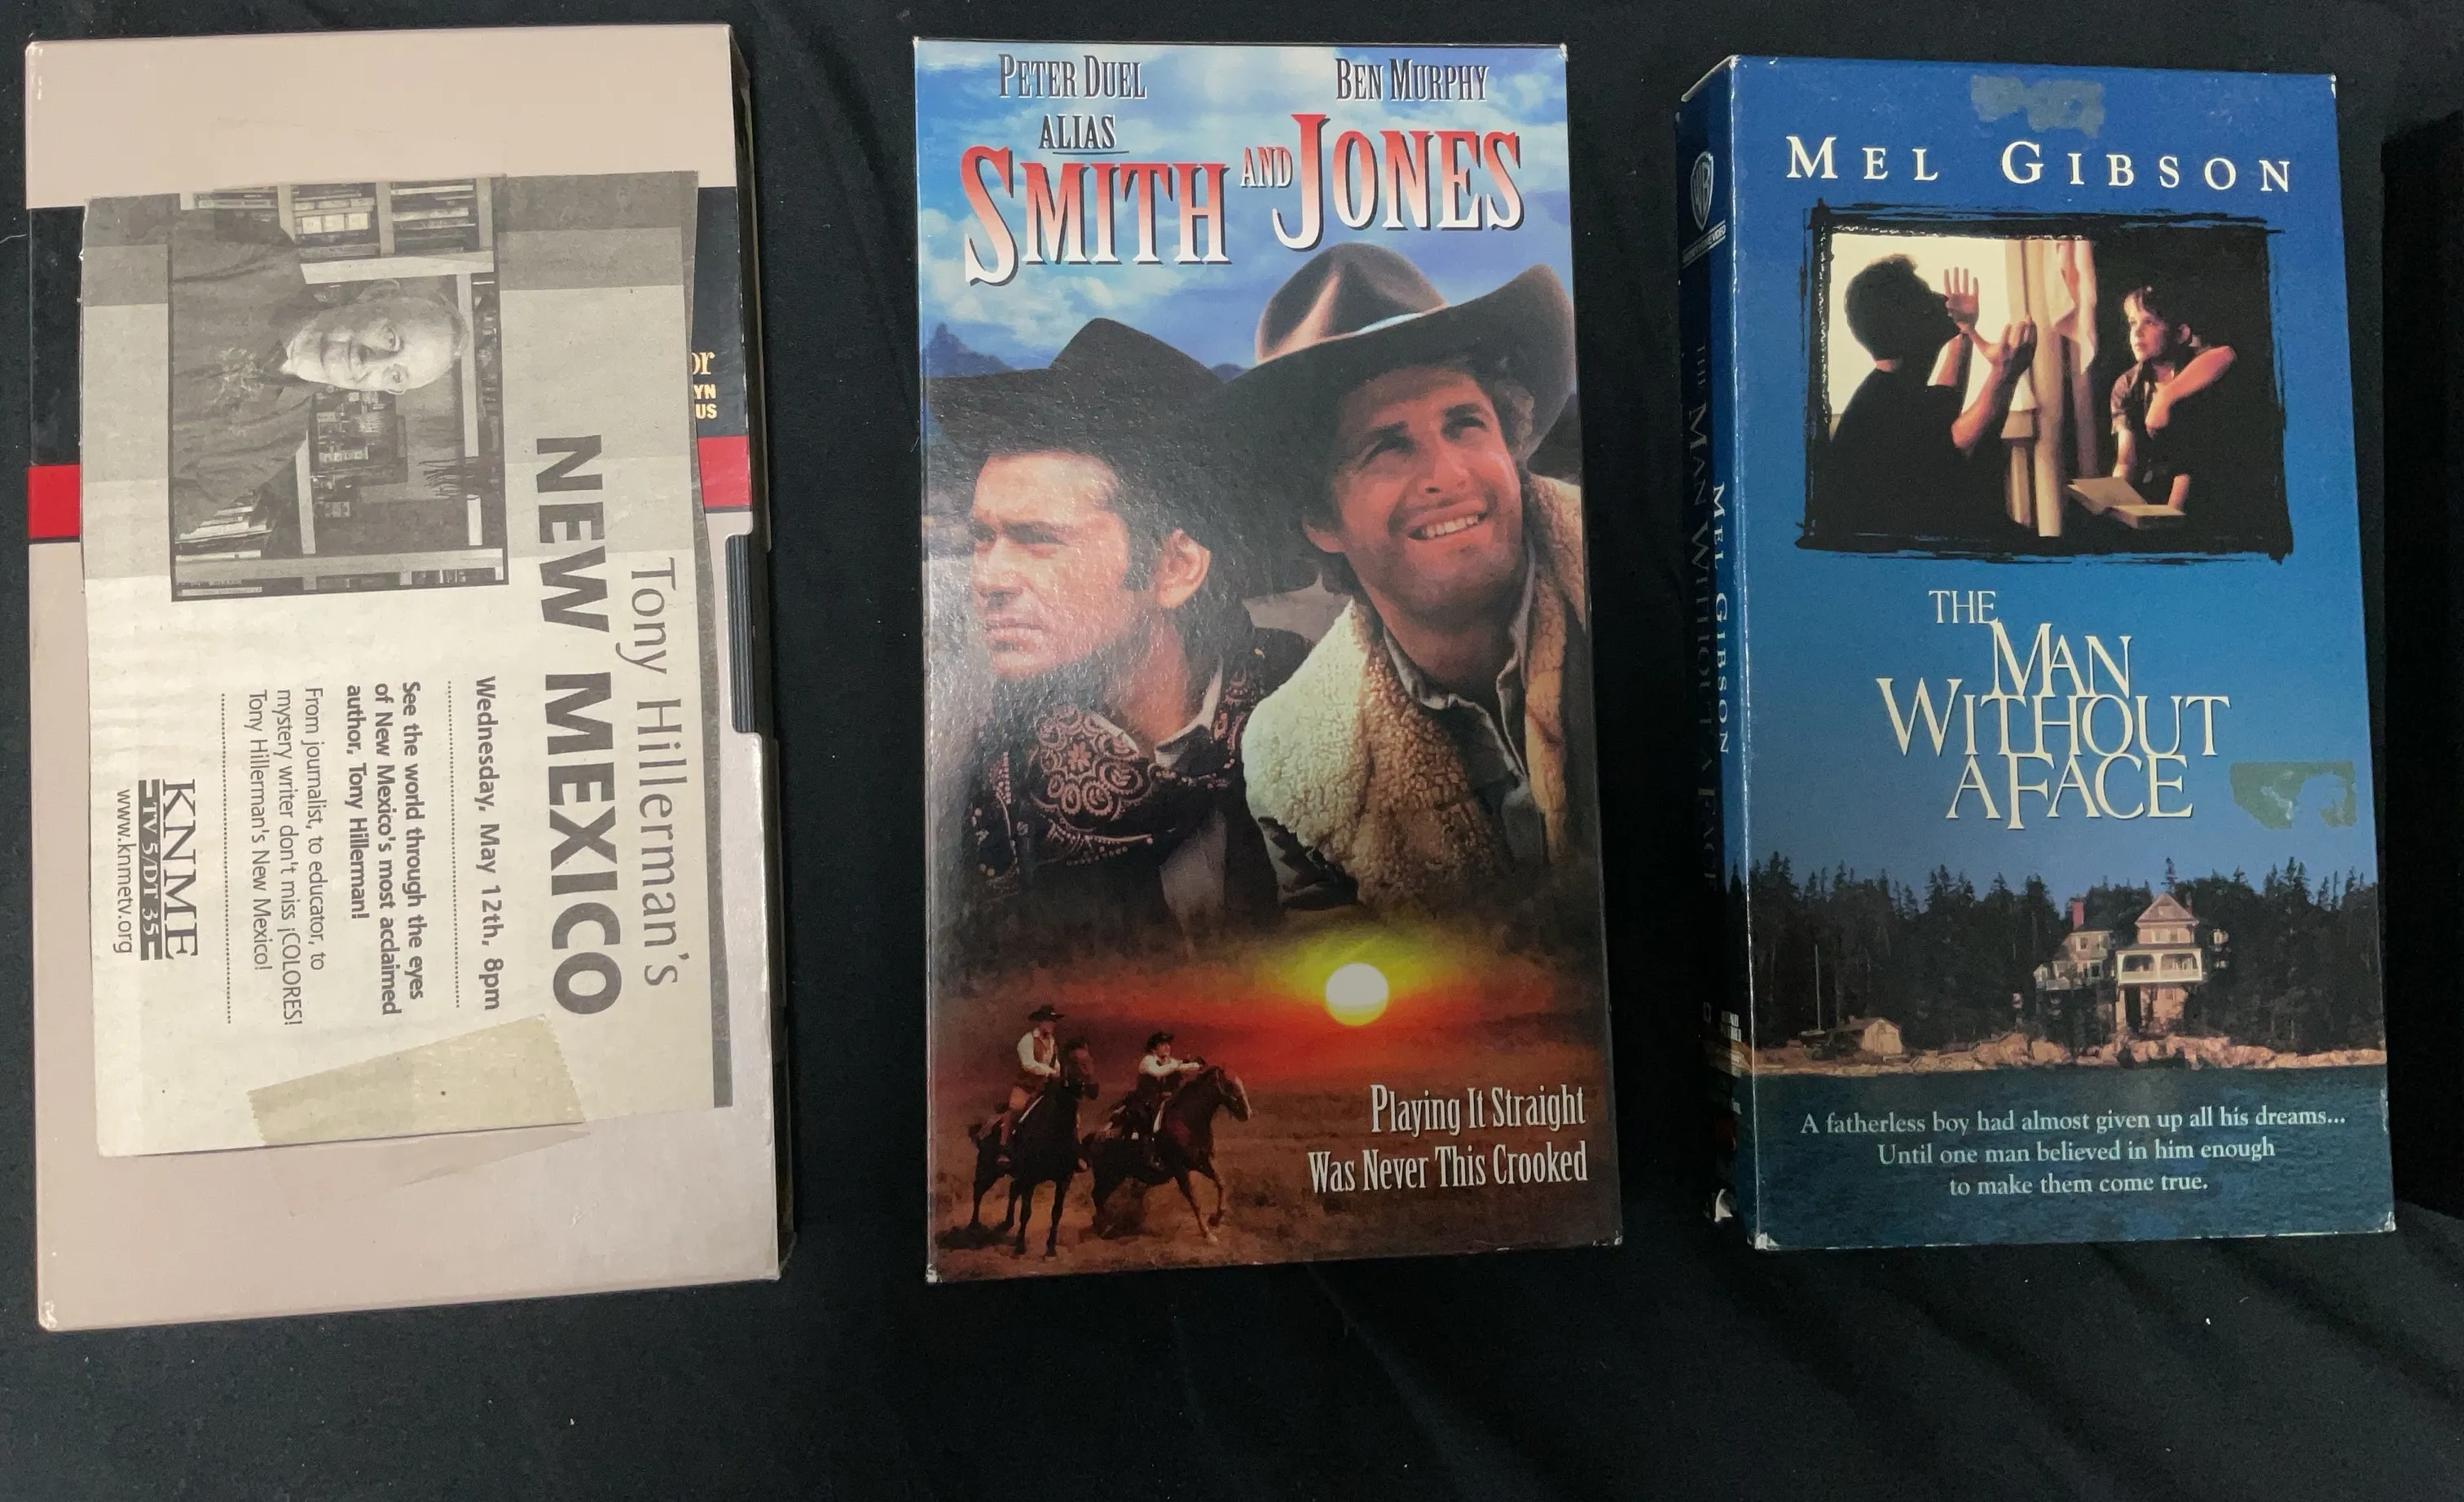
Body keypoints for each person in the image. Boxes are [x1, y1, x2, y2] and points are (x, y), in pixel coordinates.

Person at [1217, 244, 1595, 916]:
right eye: (1388, 446)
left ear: (1510, 443)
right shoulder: (1289, 760)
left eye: (1465, 424)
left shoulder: (1649, 585)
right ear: (1320, 518)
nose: (1447, 474)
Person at [931, 319, 1306, 947]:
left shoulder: (1316, 708)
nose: (988, 577)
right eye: (982, 538)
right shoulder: (990, 784)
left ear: (1174, 567)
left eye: (1038, 539)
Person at [169, 208, 469, 542]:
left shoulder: (275, 443)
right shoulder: (263, 255)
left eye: (395, 375)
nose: (372, 362)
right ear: (377, 294)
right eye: (390, 339)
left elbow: (159, 519)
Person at [1816, 257, 2037, 545]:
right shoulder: (1882, 413)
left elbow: (1948, 397)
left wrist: (1965, 329)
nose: (1942, 299)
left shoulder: (1889, 388)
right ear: (1905, 326)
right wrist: (2003, 375)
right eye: (1926, 297)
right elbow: (1960, 440)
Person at [2109, 283, 2238, 515]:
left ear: (2180, 334)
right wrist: (2115, 499)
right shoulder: (2126, 385)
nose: (2137, 332)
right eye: (2133, 322)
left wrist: (2165, 398)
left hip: (2204, 494)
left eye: (2150, 322)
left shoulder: (2197, 373)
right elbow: (2126, 460)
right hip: (2154, 491)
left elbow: (2226, 354)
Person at [1112, 1031, 1205, 1161]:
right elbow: (1158, 1072)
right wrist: (1176, 1065)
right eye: (1163, 1044)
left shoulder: (1169, 1061)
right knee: (1145, 1120)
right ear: (1154, 1049)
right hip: (1144, 1101)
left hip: (1159, 1100)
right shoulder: (1148, 1061)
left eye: (1168, 1044)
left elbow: (1184, 1067)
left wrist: (1197, 1066)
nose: (1167, 1047)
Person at [992, 1005, 1066, 1148]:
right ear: (1040, 1022)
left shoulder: (1052, 1042)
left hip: (1044, 1089)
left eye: (1053, 1021)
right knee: (1016, 1110)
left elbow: (1055, 1062)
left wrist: (1058, 1072)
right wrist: (1049, 1071)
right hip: (1026, 1088)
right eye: (1048, 1020)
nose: (1051, 1024)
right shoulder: (1027, 1040)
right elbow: (1028, 1064)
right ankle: (1004, 1147)